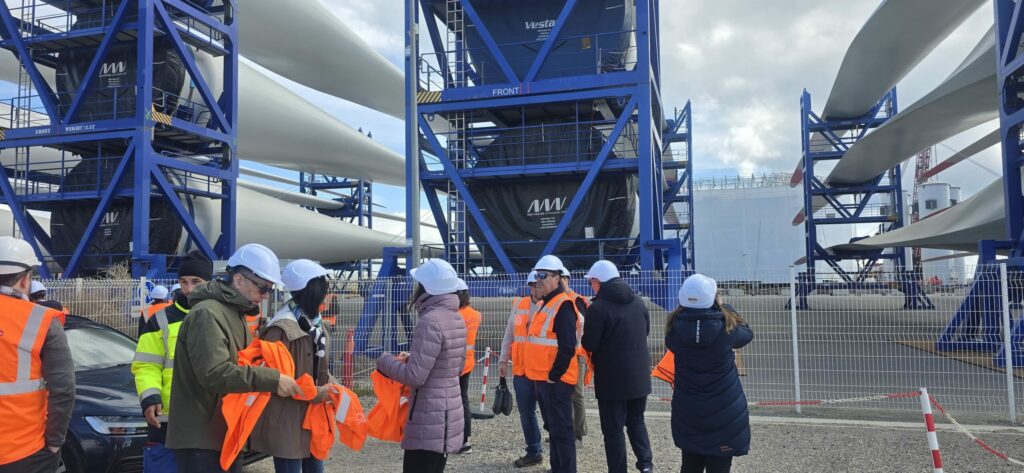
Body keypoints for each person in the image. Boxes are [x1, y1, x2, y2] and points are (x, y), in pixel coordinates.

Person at [166, 243, 304, 472]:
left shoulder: (232, 313)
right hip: (201, 438)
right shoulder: (207, 314)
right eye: (262, 288)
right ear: (239, 280)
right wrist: (272, 379)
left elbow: (240, 364)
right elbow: (214, 373)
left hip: (220, 432)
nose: (265, 295)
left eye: (269, 290)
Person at [376, 258, 466, 473]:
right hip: (447, 413)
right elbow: (455, 366)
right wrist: (415, 357)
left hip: (429, 415)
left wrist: (384, 361)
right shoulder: (456, 318)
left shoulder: (430, 320)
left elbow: (415, 376)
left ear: (427, 288)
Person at [132, 250, 213, 473]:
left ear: (209, 282)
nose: (189, 289)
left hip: (210, 420)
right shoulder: (160, 319)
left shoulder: (220, 316)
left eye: (196, 282)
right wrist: (150, 398)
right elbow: (146, 365)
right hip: (167, 421)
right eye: (183, 282)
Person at [251, 259, 335, 473]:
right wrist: (317, 393)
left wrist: (334, 386)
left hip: (312, 417)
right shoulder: (280, 329)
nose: (328, 295)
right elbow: (275, 379)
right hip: (287, 420)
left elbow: (320, 369)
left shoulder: (317, 325)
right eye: (324, 290)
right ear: (312, 292)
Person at [0, 237, 75, 472]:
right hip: (24, 452)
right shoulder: (41, 321)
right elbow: (63, 389)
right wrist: (54, 443)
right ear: (25, 279)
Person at [667, 274, 753, 473]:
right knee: (720, 467)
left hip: (688, 410)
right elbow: (747, 334)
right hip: (725, 411)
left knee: (690, 465)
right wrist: (726, 308)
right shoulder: (726, 329)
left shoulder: (674, 329)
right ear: (714, 298)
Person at [580, 260, 653, 473]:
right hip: (639, 376)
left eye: (591, 283)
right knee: (636, 421)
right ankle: (646, 464)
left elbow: (590, 343)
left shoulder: (597, 308)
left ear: (598, 282)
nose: (591, 287)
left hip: (611, 380)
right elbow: (646, 331)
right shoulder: (638, 302)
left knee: (613, 431)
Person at [523, 255, 581, 473]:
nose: (538, 279)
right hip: (543, 379)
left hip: (555, 381)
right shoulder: (544, 304)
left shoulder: (563, 305)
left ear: (557, 278)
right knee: (554, 429)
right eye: (537, 275)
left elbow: (567, 346)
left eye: (543, 275)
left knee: (562, 431)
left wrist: (554, 375)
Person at [498, 271, 544, 468]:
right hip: (522, 371)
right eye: (533, 285)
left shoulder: (553, 306)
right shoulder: (520, 305)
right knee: (526, 413)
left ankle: (560, 454)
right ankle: (534, 451)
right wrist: (503, 360)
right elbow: (510, 333)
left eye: (539, 285)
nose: (536, 288)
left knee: (551, 416)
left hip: (544, 372)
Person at [559, 270, 589, 445]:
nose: (560, 282)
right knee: (561, 394)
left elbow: (582, 327)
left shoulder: (576, 300)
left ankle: (578, 434)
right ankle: (564, 431)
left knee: (576, 395)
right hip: (561, 354)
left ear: (567, 279)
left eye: (562, 278)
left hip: (576, 355)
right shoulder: (555, 300)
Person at [455, 278, 480, 454]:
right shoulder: (475, 315)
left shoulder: (453, 315)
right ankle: (466, 440)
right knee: (463, 401)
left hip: (452, 363)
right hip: (468, 362)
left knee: (451, 402)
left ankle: (454, 438)